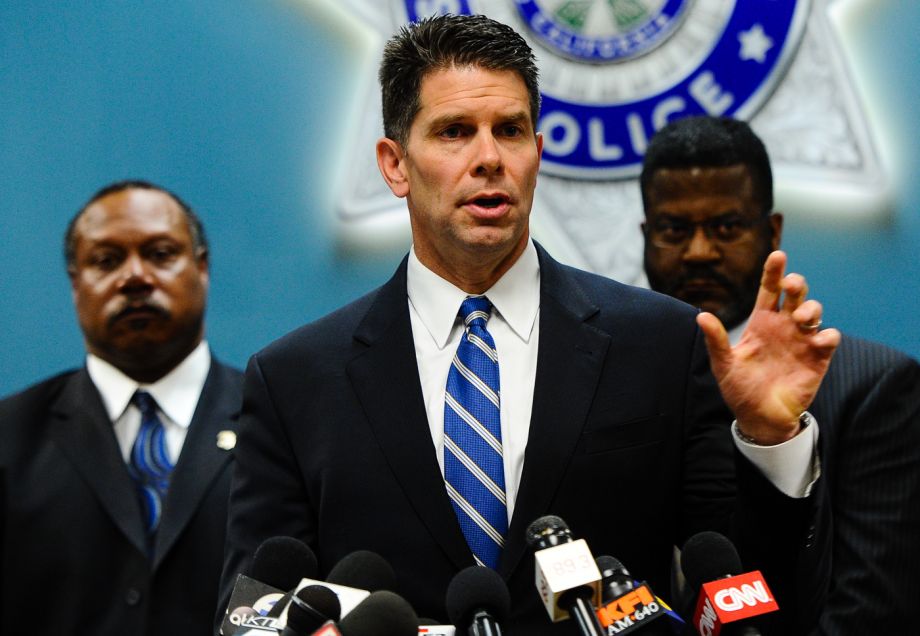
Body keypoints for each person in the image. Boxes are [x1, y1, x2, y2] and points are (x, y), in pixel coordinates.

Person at [219, 15, 838, 633]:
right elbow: (254, 615)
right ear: (395, 165)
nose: (488, 158)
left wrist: (767, 441)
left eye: (510, 131)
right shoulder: (293, 381)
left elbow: (749, 595)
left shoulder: (661, 344)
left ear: (537, 154)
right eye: (455, 132)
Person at [641, 115, 920, 634]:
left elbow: (874, 610)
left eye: (726, 227)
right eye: (675, 231)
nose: (699, 252)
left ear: (771, 232)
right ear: (645, 235)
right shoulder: (618, 379)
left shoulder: (873, 387)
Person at [0, 181, 243, 635]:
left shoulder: (277, 422)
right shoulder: (10, 436)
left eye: (160, 253)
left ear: (202, 268)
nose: (134, 277)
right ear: (76, 285)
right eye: (106, 261)